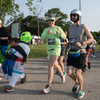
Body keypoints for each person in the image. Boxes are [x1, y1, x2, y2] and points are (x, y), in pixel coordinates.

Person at [67, 9, 93, 99]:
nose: (73, 17)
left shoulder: (83, 26)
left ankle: (81, 89)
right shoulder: (70, 27)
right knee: (69, 72)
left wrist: (82, 43)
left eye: (75, 15)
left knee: (78, 73)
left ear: (79, 16)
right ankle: (77, 83)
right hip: (71, 52)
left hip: (81, 52)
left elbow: (91, 39)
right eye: (72, 15)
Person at [41, 15, 66, 94]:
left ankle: (48, 85)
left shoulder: (58, 28)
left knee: (50, 66)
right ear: (48, 21)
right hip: (49, 49)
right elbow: (42, 38)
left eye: (53, 20)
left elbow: (64, 36)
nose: (51, 22)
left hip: (56, 48)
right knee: (55, 65)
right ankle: (62, 74)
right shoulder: (46, 29)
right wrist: (46, 34)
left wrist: (59, 34)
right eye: (50, 20)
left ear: (55, 21)